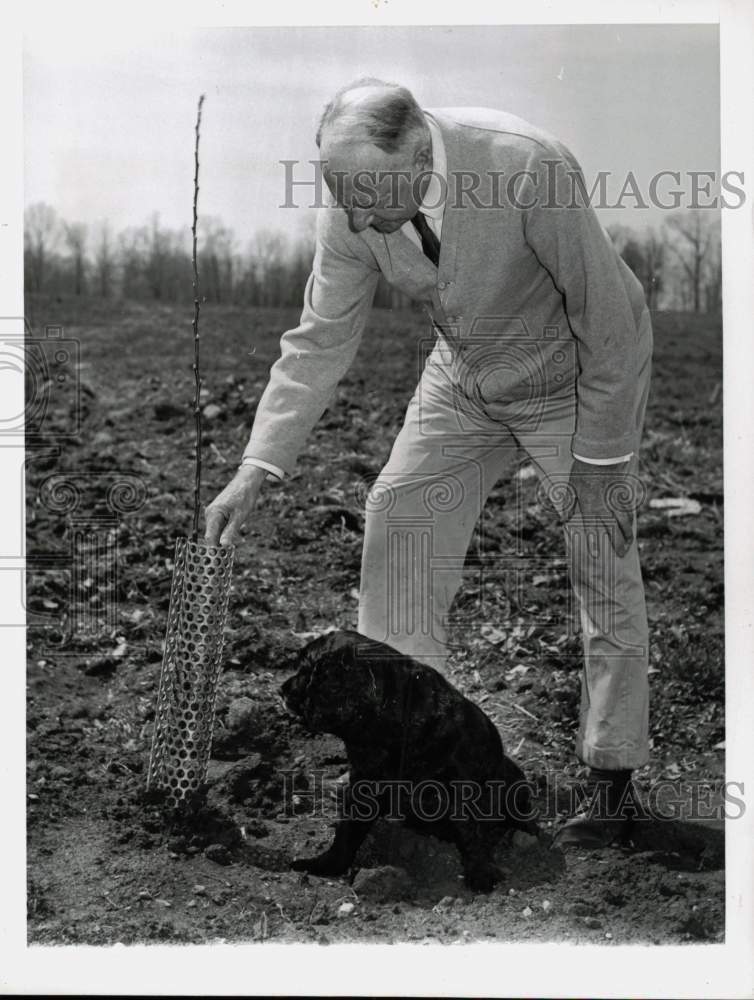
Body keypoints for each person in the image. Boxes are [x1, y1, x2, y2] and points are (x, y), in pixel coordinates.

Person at [205, 78, 653, 848]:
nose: (351, 214)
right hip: (466, 375)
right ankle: (408, 758)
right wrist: (257, 465)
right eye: (338, 192)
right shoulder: (353, 205)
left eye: (363, 192)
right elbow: (319, 339)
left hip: (568, 374)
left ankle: (612, 782)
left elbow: (608, 315)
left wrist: (605, 460)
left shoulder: (524, 167)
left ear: (419, 154)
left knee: (603, 552)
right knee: (400, 513)